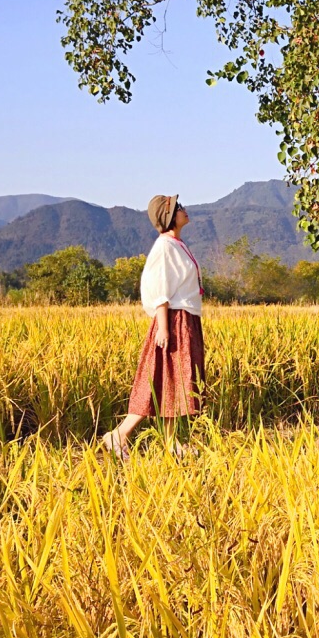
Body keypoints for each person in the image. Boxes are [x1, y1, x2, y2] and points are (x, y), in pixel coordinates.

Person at [101, 194, 205, 462]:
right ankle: (120, 433)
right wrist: (163, 327)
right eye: (179, 208)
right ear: (170, 216)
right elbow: (160, 289)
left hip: (185, 318)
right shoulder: (165, 247)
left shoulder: (176, 244)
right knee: (161, 380)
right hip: (173, 320)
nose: (184, 210)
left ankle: (173, 444)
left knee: (176, 383)